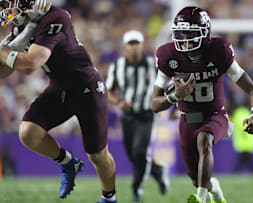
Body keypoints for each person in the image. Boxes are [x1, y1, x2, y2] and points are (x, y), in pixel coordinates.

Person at [0, 1, 117, 202]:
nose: (5, 10)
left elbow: (31, 65)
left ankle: (109, 197)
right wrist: (5, 51)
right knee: (28, 133)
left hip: (87, 88)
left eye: (8, 4)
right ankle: (69, 162)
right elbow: (5, 71)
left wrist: (3, 51)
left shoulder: (56, 17)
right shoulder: (22, 25)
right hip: (60, 87)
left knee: (97, 155)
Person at [150, 7, 253, 203]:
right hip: (186, 120)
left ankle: (200, 198)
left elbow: (252, 88)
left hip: (215, 115)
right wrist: (175, 96)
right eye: (181, 33)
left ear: (205, 32)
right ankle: (214, 191)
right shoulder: (168, 55)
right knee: (196, 178)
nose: (185, 39)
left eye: (191, 33)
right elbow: (154, 104)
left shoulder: (218, 51)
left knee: (204, 139)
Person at [106, 30, 170, 202]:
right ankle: (158, 171)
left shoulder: (153, 64)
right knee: (134, 155)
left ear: (142, 45)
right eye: (130, 44)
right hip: (127, 116)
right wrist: (119, 102)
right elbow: (109, 91)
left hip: (147, 114)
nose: (134, 47)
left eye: (137, 43)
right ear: (125, 47)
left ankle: (137, 190)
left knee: (140, 151)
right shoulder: (117, 65)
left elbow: (166, 84)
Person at [232, 106, 253, 173]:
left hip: (244, 142)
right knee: (247, 160)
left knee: (244, 160)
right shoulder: (249, 113)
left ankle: (235, 173)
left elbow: (242, 126)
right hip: (247, 142)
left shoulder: (238, 113)